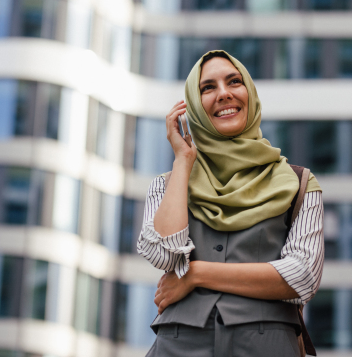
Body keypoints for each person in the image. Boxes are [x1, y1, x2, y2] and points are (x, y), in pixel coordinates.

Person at [137, 50, 324, 356]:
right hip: (177, 345)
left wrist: (196, 274)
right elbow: (164, 255)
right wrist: (183, 160)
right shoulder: (167, 184)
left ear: (249, 93)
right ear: (194, 107)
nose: (223, 94)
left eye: (233, 82)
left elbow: (301, 275)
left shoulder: (298, 184)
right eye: (207, 88)